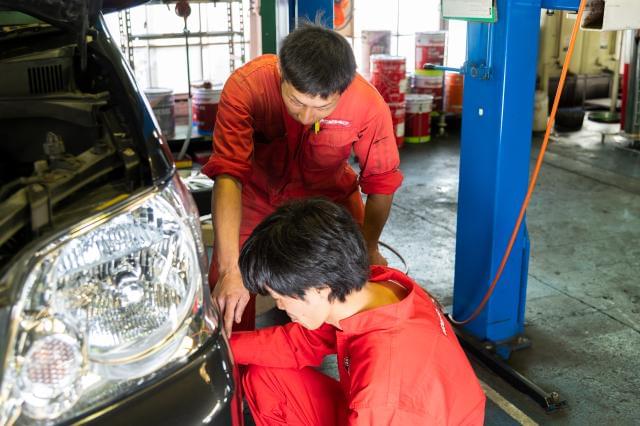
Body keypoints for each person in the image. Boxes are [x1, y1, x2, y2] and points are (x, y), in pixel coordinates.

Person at [201, 24, 403, 335]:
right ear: (281, 70)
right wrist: (230, 269)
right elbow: (229, 173)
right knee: (229, 295)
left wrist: (369, 244)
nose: (307, 117)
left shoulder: (367, 104)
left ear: (344, 88)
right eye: (296, 102)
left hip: (328, 203)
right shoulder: (247, 86)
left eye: (322, 108)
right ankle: (236, 365)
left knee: (357, 287)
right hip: (255, 199)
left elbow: (381, 182)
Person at [231, 199, 486, 425]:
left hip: (397, 413)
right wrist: (222, 346)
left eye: (280, 297)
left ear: (319, 288)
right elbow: (295, 343)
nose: (280, 307)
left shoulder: (382, 394)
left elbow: (383, 405)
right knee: (266, 378)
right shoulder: (375, 290)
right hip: (411, 408)